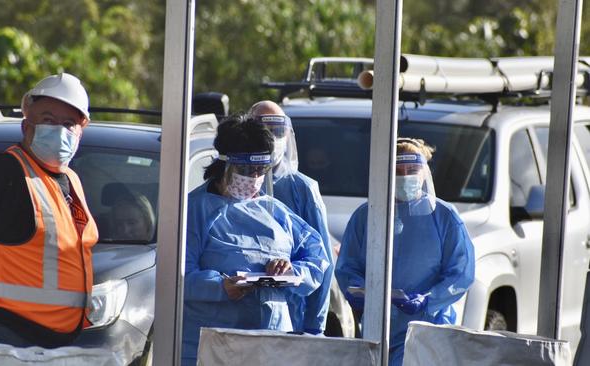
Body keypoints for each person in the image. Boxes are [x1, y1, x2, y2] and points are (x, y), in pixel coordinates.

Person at [0, 72, 98, 348]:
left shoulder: (70, 179)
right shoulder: (4, 172)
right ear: (27, 126)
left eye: (69, 123)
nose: (59, 130)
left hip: (56, 342)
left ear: (80, 131)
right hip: (7, 337)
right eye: (48, 120)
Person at [183, 114, 329, 366]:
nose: (253, 178)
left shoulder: (275, 210)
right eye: (246, 170)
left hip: (273, 343)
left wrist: (292, 270)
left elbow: (318, 258)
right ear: (223, 163)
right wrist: (220, 286)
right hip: (217, 347)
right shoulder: (196, 210)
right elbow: (177, 277)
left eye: (261, 170)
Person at [335, 137, 475, 366]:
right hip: (377, 327)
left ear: (424, 173)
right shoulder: (367, 215)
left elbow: (461, 272)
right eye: (398, 171)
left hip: (428, 328)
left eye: (412, 170)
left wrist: (429, 300)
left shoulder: (444, 216)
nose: (406, 176)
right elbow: (348, 266)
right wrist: (361, 293)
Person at [249, 101, 334, 336]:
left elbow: (322, 260)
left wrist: (314, 325)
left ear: (287, 134)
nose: (271, 137)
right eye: (262, 129)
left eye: (277, 130)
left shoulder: (302, 189)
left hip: (291, 316)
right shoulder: (233, 185)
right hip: (241, 314)